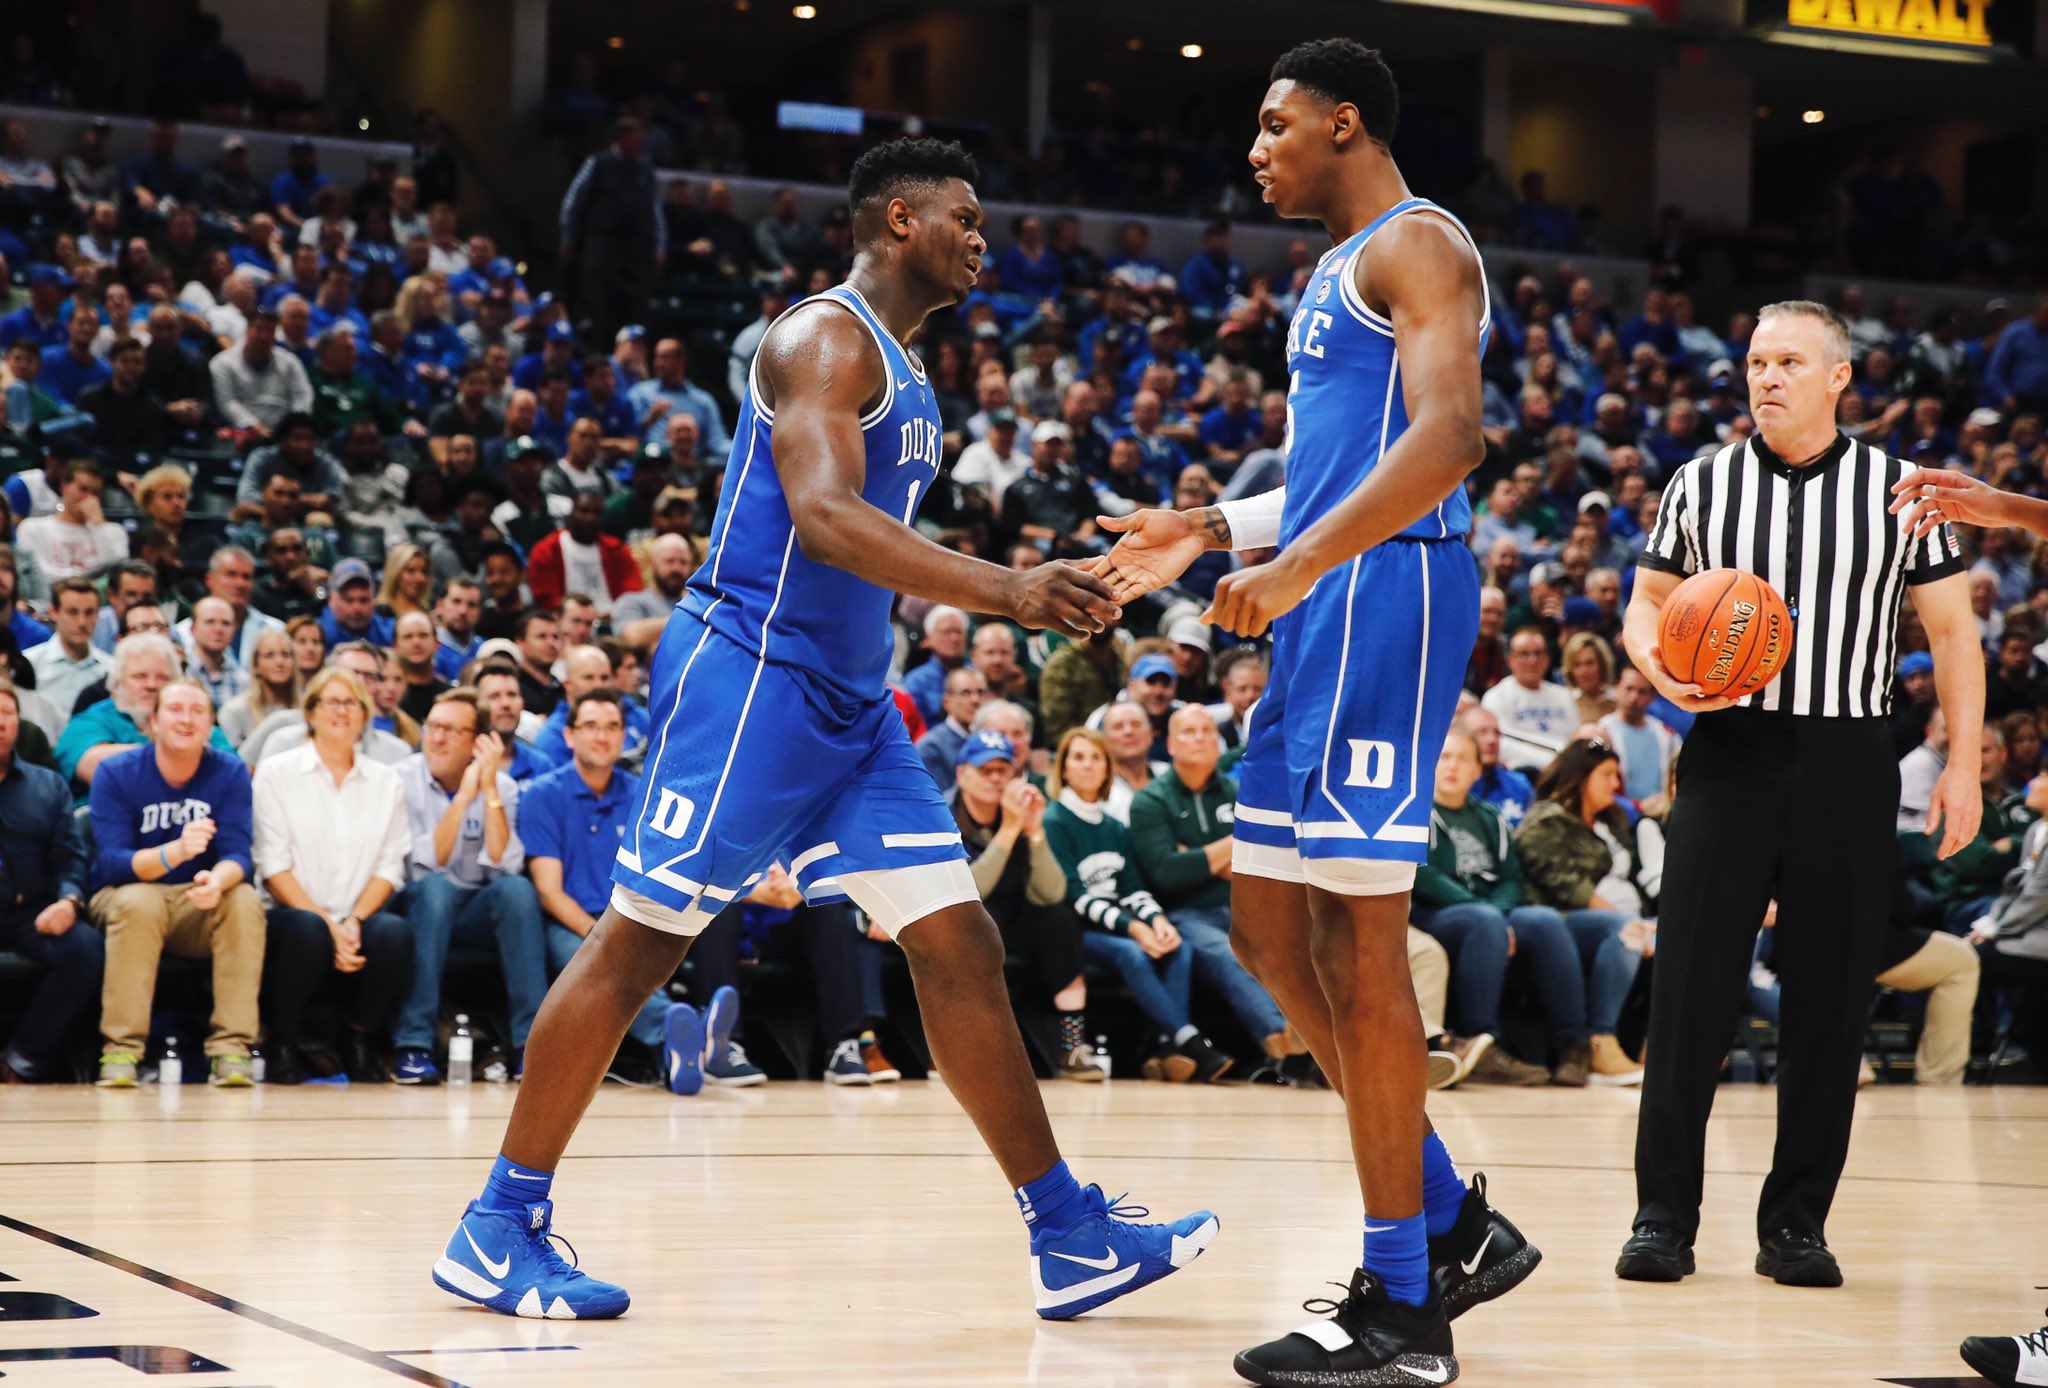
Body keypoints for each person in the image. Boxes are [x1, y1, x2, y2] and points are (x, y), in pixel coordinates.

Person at [433, 139, 1214, 1324]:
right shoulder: (822, 337)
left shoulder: (907, 369)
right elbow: (824, 516)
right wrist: (1007, 588)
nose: (981, 237)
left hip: (851, 707)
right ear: (897, 221)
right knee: (638, 944)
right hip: (749, 683)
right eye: (963, 215)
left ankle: (1067, 1235)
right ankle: (498, 1223)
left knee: (957, 945)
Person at [1090, 41, 1531, 1383]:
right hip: (1332, 601)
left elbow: (1450, 437)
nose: (1257, 148)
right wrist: (1214, 526)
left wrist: (1300, 564)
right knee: (1273, 928)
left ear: (1345, 122)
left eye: (1277, 125)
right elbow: (1349, 464)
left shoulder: (1420, 246)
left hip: (1385, 605)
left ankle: (1404, 1308)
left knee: (1359, 950)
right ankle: (1451, 1213)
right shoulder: (1337, 269)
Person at [1618, 300, 1981, 1290]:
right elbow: (1644, 605)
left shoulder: (1901, 489)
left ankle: (1793, 1224)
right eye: (1753, 361)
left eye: (1787, 361)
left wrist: (1957, 763)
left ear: (1836, 377)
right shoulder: (1699, 481)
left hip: (1847, 757)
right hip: (1727, 749)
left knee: (1828, 997)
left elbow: (1950, 633)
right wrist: (1662, 672)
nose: (1765, 376)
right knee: (1689, 983)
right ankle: (1661, 1215)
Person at [88, 678, 261, 1088]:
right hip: (124, 896)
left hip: (196, 900)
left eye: (197, 711)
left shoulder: (230, 770)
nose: (186, 719)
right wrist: (175, 853)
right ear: (153, 722)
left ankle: (232, 1049)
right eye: (176, 710)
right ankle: (121, 1049)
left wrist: (217, 882)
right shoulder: (116, 772)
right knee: (140, 903)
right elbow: (113, 864)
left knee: (244, 901)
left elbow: (239, 855)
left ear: (211, 724)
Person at [252, 667, 415, 1084]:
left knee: (393, 933)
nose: (342, 712)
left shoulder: (386, 781)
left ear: (365, 715)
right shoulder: (276, 772)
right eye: (331, 702)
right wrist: (329, 926)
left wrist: (353, 922)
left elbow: (390, 864)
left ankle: (360, 1038)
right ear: (310, 713)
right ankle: (283, 1042)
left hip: (357, 915)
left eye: (352, 703)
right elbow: (273, 865)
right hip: (294, 914)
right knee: (307, 930)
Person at [1415, 729, 1602, 1087]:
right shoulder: (1417, 812)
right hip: (1435, 915)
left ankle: (1572, 1045)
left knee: (1544, 921)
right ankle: (1481, 1042)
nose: (1452, 767)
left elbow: (1511, 878)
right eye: (1445, 757)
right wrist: (1489, 915)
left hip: (1489, 913)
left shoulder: (1488, 816)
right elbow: (1425, 877)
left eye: (1463, 759)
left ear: (1477, 770)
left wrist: (1499, 917)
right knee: (1483, 920)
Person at [1041, 727, 1222, 1081]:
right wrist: (1134, 928)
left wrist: (1156, 920)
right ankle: (1189, 1041)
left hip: (1118, 923)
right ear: (1063, 768)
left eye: (1096, 758)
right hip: (1079, 931)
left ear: (1108, 769)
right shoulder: (1054, 821)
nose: (1088, 766)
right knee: (1134, 953)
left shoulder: (1115, 827)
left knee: (1177, 948)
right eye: (1078, 758)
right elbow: (1074, 895)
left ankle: (1168, 1047)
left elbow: (1132, 888)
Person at [388, 689, 546, 1085]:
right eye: (433, 727)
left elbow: (507, 864)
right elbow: (426, 866)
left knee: (518, 892)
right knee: (437, 891)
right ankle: (413, 1045)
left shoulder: (504, 787)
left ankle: (535, 1047)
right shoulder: (400, 779)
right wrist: (462, 799)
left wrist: (489, 790)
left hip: (474, 909)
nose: (437, 739)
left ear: (478, 742)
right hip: (415, 905)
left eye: (451, 731)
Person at [520, 688, 676, 1080]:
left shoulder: (642, 790)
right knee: (598, 958)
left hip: (635, 916)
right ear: (569, 735)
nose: (602, 737)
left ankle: (677, 1047)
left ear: (625, 736)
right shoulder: (543, 794)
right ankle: (677, 1028)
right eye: (591, 726)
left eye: (613, 727)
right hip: (571, 922)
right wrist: (598, 933)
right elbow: (548, 891)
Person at [1127, 705, 1297, 1063]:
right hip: (1186, 914)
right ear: (1170, 745)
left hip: (1245, 906)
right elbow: (1166, 872)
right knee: (1231, 954)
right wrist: (1234, 845)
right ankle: (1283, 1046)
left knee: (1296, 945)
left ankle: (1316, 1044)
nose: (1200, 738)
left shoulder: (1241, 792)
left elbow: (1266, 859)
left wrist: (1196, 856)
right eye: (1189, 732)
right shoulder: (1150, 801)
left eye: (1207, 731)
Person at [0, 683, 97, 1084]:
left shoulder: (47, 786)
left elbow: (71, 858)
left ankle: (23, 1059)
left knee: (85, 948)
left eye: (6, 715)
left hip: (31, 913)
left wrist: (69, 901)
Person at [55, 633, 235, 797]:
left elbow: (232, 771)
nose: (151, 685)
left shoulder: (193, 722)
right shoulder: (90, 721)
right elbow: (96, 768)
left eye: (162, 677)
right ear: (116, 684)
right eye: (140, 676)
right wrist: (184, 752)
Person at [559, 118, 663, 344]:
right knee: (598, 301)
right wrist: (568, 237)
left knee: (634, 303)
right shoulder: (598, 163)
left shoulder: (645, 169)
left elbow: (656, 212)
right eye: (636, 139)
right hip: (602, 243)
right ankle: (599, 346)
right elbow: (572, 202)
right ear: (622, 138)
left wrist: (660, 244)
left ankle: (629, 348)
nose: (640, 143)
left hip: (635, 248)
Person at [15, 456, 126, 582]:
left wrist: (99, 524)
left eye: (95, 492)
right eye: (83, 489)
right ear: (64, 487)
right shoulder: (33, 528)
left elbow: (117, 571)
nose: (89, 498)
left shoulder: (114, 531)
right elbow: (35, 575)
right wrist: (84, 576)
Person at [1481, 626, 1580, 769]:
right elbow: (1503, 746)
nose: (1532, 660)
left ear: (1547, 659)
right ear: (1510, 660)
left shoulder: (1563, 695)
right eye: (1524, 654)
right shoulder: (1496, 697)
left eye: (1538, 653)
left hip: (1564, 772)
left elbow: (1574, 738)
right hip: (1523, 772)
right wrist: (1552, 762)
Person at [27, 578, 111, 736]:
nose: (82, 622)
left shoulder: (112, 670)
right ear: (53, 613)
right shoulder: (30, 664)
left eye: (89, 612)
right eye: (72, 612)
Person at [1599, 664, 1682, 814]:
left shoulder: (1667, 735)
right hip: (1617, 815)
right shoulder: (1602, 732)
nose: (1633, 697)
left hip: (1661, 814)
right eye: (1629, 689)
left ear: (1652, 697)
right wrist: (1636, 807)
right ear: (1617, 688)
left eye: (1642, 691)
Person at [218, 629, 300, 749]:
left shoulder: (307, 710)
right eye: (269, 655)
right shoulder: (234, 711)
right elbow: (233, 763)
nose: (279, 662)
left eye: (286, 655)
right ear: (256, 666)